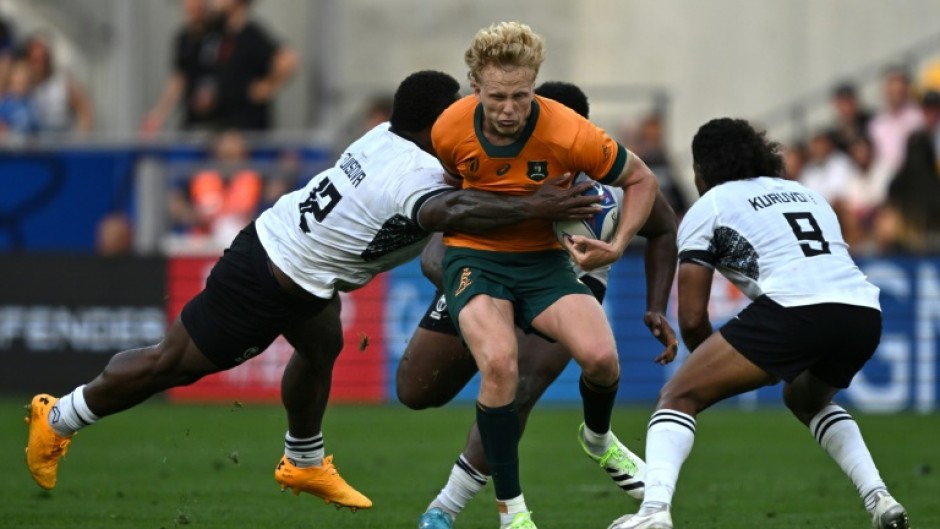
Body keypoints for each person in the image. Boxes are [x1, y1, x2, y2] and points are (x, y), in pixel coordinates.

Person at [23, 70, 603, 515]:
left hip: (303, 271)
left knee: (322, 346)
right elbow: (448, 208)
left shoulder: (386, 138)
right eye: (457, 111)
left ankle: (302, 460)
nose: (466, 120)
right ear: (434, 124)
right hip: (267, 276)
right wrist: (534, 205)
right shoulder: (413, 174)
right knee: (168, 363)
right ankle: (60, 417)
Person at [399, 81, 678, 529]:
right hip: (481, 278)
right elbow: (434, 256)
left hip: (564, 285)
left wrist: (656, 305)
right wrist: (482, 298)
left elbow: (663, 226)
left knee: (519, 385)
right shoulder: (493, 171)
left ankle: (446, 507)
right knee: (416, 390)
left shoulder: (604, 180)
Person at [609, 118, 911, 529]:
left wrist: (714, 363)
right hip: (862, 312)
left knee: (677, 396)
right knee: (807, 400)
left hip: (796, 310)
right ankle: (880, 499)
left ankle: (653, 512)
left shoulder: (711, 205)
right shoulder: (806, 193)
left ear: (702, 169)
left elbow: (692, 317)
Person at [200, 0, 298, 130]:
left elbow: (289, 59)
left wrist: (268, 85)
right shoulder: (217, 34)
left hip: (249, 129)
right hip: (221, 126)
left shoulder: (252, 35)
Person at [141, 0, 214, 135]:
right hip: (192, 121)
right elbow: (178, 80)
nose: (190, 7)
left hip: (222, 122)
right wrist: (158, 114)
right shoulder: (183, 39)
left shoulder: (220, 35)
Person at [19, 33, 94, 135]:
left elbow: (85, 110)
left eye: (44, 58)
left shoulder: (62, 80)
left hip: (60, 139)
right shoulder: (20, 83)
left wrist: (80, 137)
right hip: (30, 142)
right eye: (35, 60)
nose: (40, 65)